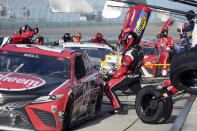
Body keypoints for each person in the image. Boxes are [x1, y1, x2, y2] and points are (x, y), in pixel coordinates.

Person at [104, 31, 144, 114]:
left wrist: (112, 76)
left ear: (129, 40)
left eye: (124, 42)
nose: (123, 44)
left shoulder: (129, 53)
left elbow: (123, 70)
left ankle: (118, 108)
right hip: (136, 75)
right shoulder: (140, 49)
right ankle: (147, 106)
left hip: (128, 77)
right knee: (142, 94)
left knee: (107, 87)